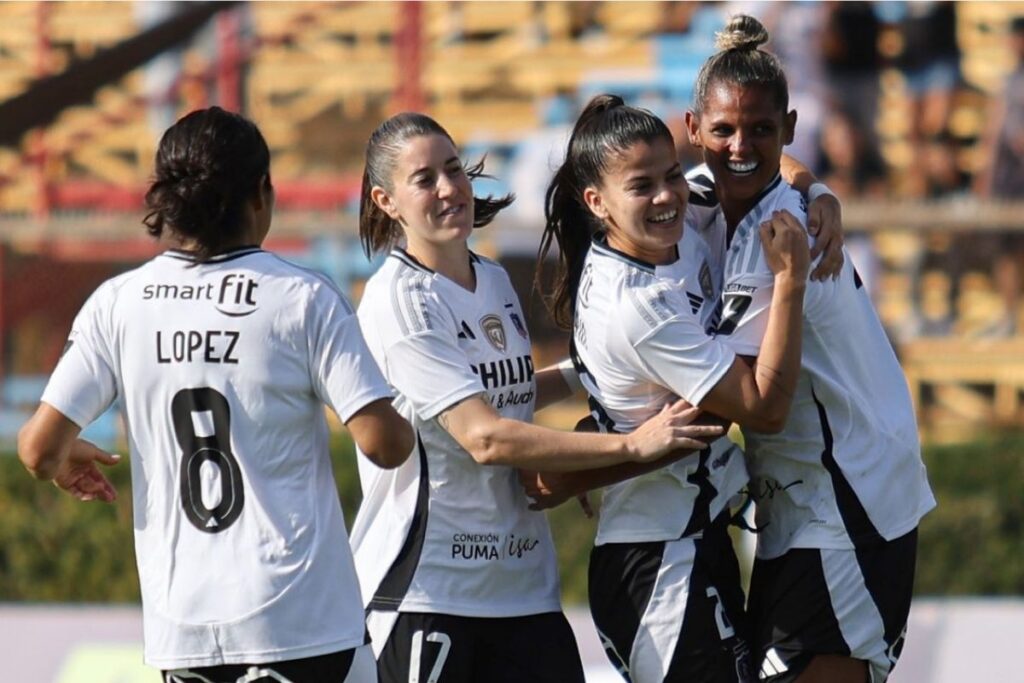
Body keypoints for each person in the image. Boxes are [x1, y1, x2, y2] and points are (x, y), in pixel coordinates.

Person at [17, 106, 416, 683]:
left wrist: (61, 459)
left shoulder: (119, 303)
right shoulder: (300, 296)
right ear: (261, 194)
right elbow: (383, 443)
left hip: (186, 630)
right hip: (301, 623)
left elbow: (36, 451)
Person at [349, 112, 723, 683]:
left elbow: (513, 390)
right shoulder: (397, 301)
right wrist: (632, 447)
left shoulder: (492, 279)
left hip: (523, 589)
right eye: (424, 179)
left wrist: (603, 366)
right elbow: (486, 436)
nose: (449, 188)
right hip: (429, 592)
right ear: (387, 200)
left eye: (454, 169)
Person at [682, 15, 935, 683]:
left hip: (848, 503)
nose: (741, 146)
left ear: (789, 128)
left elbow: (737, 399)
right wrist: (814, 183)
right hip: (799, 506)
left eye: (762, 131)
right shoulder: (716, 198)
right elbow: (766, 170)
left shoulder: (778, 234)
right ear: (693, 130)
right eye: (724, 130)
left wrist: (596, 449)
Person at [533, 92, 812, 683]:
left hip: (690, 537)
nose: (667, 196)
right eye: (642, 186)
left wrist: (821, 193)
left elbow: (763, 162)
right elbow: (763, 408)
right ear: (597, 202)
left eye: (670, 175)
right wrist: (789, 280)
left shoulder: (672, 231)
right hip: (657, 561)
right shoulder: (640, 307)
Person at [972, 15, 1024, 337]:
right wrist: (985, 177)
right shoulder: (1008, 81)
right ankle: (1008, 317)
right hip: (1010, 175)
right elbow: (995, 130)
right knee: (1005, 248)